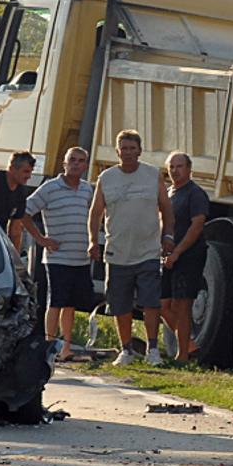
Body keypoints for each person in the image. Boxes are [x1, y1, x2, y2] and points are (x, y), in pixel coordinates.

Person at [88, 129, 174, 367]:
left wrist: (168, 235)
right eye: (123, 148)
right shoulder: (107, 178)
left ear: (140, 151)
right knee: (120, 304)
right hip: (118, 251)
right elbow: (95, 213)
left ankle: (153, 350)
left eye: (132, 148)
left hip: (147, 250)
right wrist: (93, 241)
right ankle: (125, 350)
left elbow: (166, 208)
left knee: (150, 302)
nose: (128, 153)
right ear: (117, 152)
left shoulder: (152, 175)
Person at [21, 147, 94, 361]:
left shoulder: (87, 190)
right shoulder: (50, 188)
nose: (76, 164)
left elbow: (94, 217)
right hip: (58, 257)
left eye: (81, 161)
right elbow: (25, 212)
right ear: (64, 163)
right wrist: (41, 239)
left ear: (86, 166)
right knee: (56, 302)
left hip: (80, 257)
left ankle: (66, 348)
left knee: (71, 304)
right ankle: (49, 345)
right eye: (72, 159)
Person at [159, 151, 209, 364]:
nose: (175, 171)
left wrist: (178, 252)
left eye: (179, 166)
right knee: (162, 304)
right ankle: (189, 344)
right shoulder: (169, 193)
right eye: (172, 167)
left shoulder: (195, 194)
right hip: (168, 255)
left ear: (189, 169)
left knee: (182, 305)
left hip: (189, 255)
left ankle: (182, 355)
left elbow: (197, 226)